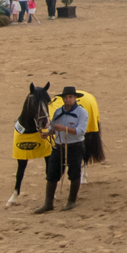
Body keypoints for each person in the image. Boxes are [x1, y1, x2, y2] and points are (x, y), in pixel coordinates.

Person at [36, 86, 89, 214]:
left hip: (75, 146)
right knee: (51, 174)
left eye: (70, 97)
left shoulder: (82, 113)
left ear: (75, 98)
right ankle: (48, 203)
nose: (68, 99)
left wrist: (64, 129)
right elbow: (53, 128)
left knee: (74, 173)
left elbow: (80, 131)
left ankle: (71, 201)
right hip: (59, 146)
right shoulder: (58, 111)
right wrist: (48, 133)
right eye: (66, 97)